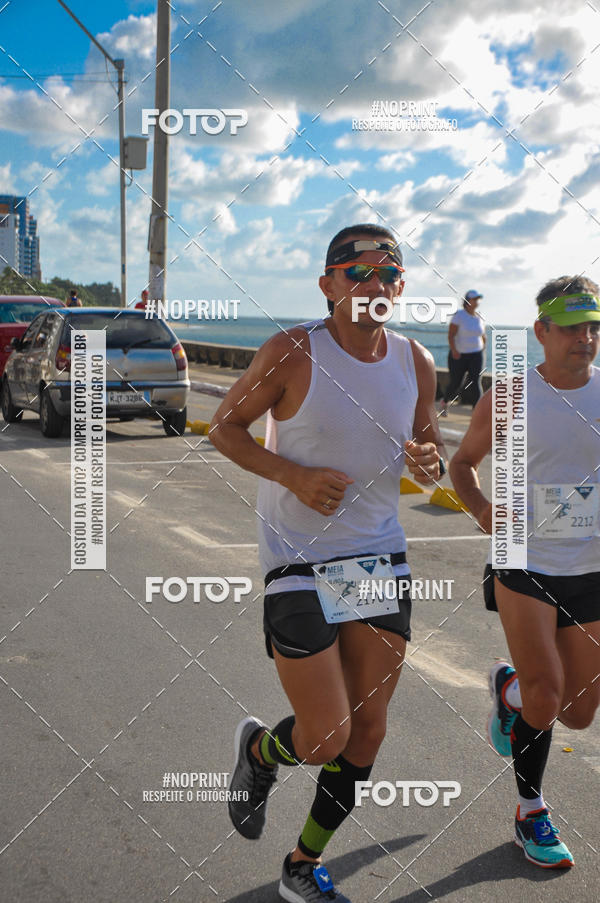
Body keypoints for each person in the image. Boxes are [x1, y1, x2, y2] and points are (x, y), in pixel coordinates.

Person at [209, 224, 448, 902]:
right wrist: (291, 474)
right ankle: (262, 752)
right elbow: (226, 426)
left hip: (378, 559)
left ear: (400, 285)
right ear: (327, 284)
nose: (373, 284)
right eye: (356, 271)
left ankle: (301, 861)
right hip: (299, 561)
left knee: (367, 729)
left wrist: (426, 465)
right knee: (325, 736)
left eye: (387, 272)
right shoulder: (292, 352)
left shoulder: (415, 361)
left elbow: (425, 448)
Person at [449, 276, 600, 869]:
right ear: (541, 332)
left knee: (579, 711)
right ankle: (530, 810)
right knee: (548, 694)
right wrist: (484, 509)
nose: (585, 339)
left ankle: (506, 690)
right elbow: (463, 464)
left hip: (590, 567)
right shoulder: (510, 395)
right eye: (571, 327)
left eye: (593, 327)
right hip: (524, 561)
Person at [439, 289, 485, 416]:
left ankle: (477, 411)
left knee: (476, 381)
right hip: (459, 355)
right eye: (474, 299)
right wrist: (454, 350)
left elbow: (482, 335)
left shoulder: (479, 317)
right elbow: (451, 335)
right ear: (467, 301)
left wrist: (483, 349)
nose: (476, 302)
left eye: (477, 299)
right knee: (456, 383)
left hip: (476, 354)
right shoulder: (459, 315)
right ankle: (445, 401)